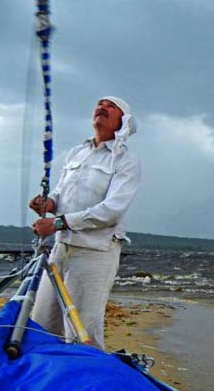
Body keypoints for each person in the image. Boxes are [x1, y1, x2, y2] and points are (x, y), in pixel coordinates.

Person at [29, 96, 141, 349]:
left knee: (82, 330)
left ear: (122, 121)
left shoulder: (126, 160)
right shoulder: (76, 153)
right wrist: (47, 204)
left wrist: (57, 224)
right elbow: (59, 194)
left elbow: (111, 211)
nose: (102, 107)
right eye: (99, 104)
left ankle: (87, 384)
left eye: (111, 106)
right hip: (61, 249)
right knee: (42, 323)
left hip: (95, 253)